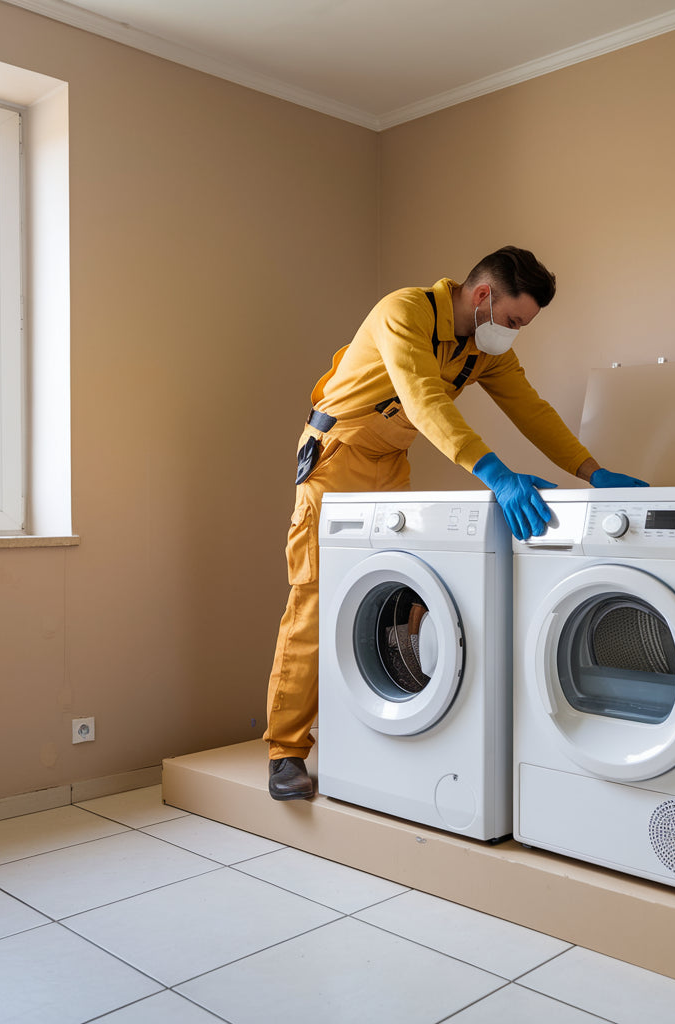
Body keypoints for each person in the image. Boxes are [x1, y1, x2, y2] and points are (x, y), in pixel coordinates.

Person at [265, 245, 647, 799]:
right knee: (316, 599)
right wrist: (497, 474)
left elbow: (531, 410)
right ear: (485, 295)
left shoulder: (484, 349)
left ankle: (370, 728)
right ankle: (286, 751)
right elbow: (423, 402)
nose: (514, 333)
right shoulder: (405, 312)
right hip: (336, 456)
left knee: (393, 594)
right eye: (514, 320)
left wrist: (593, 471)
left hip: (390, 462)